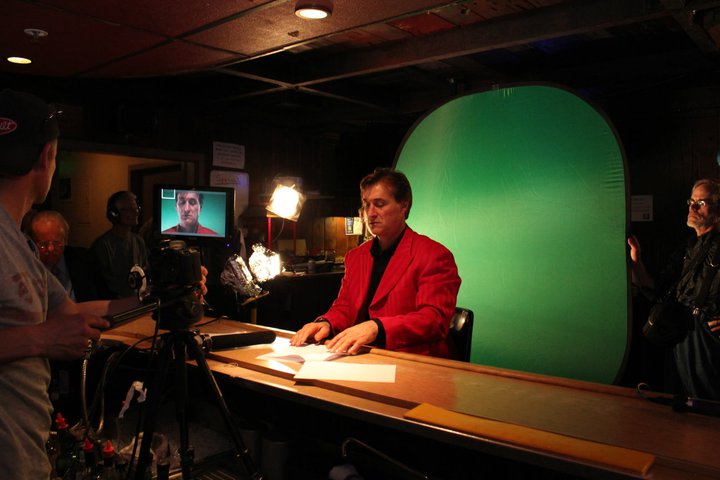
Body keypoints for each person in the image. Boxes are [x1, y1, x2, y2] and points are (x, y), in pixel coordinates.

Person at [290, 168, 461, 357]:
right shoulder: (356, 256)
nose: (370, 213)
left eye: (379, 204)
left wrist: (377, 327)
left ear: (404, 206)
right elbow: (345, 307)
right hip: (364, 358)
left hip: (414, 361)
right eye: (366, 205)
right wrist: (326, 323)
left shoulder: (434, 254)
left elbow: (434, 319)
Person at [628, 178, 720, 400]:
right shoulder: (687, 248)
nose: (693, 207)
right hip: (683, 337)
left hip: (709, 345)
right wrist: (636, 261)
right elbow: (658, 287)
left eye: (702, 202)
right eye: (691, 200)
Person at [23, 209, 99, 301]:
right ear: (33, 243)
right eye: (43, 244)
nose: (51, 249)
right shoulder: (26, 267)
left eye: (57, 243)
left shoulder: (85, 259)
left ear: (65, 239)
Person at [91, 190, 149, 298]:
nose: (136, 213)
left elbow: (145, 273)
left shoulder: (139, 241)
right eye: (129, 209)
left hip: (137, 303)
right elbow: (103, 286)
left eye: (136, 208)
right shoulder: (101, 246)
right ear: (114, 214)